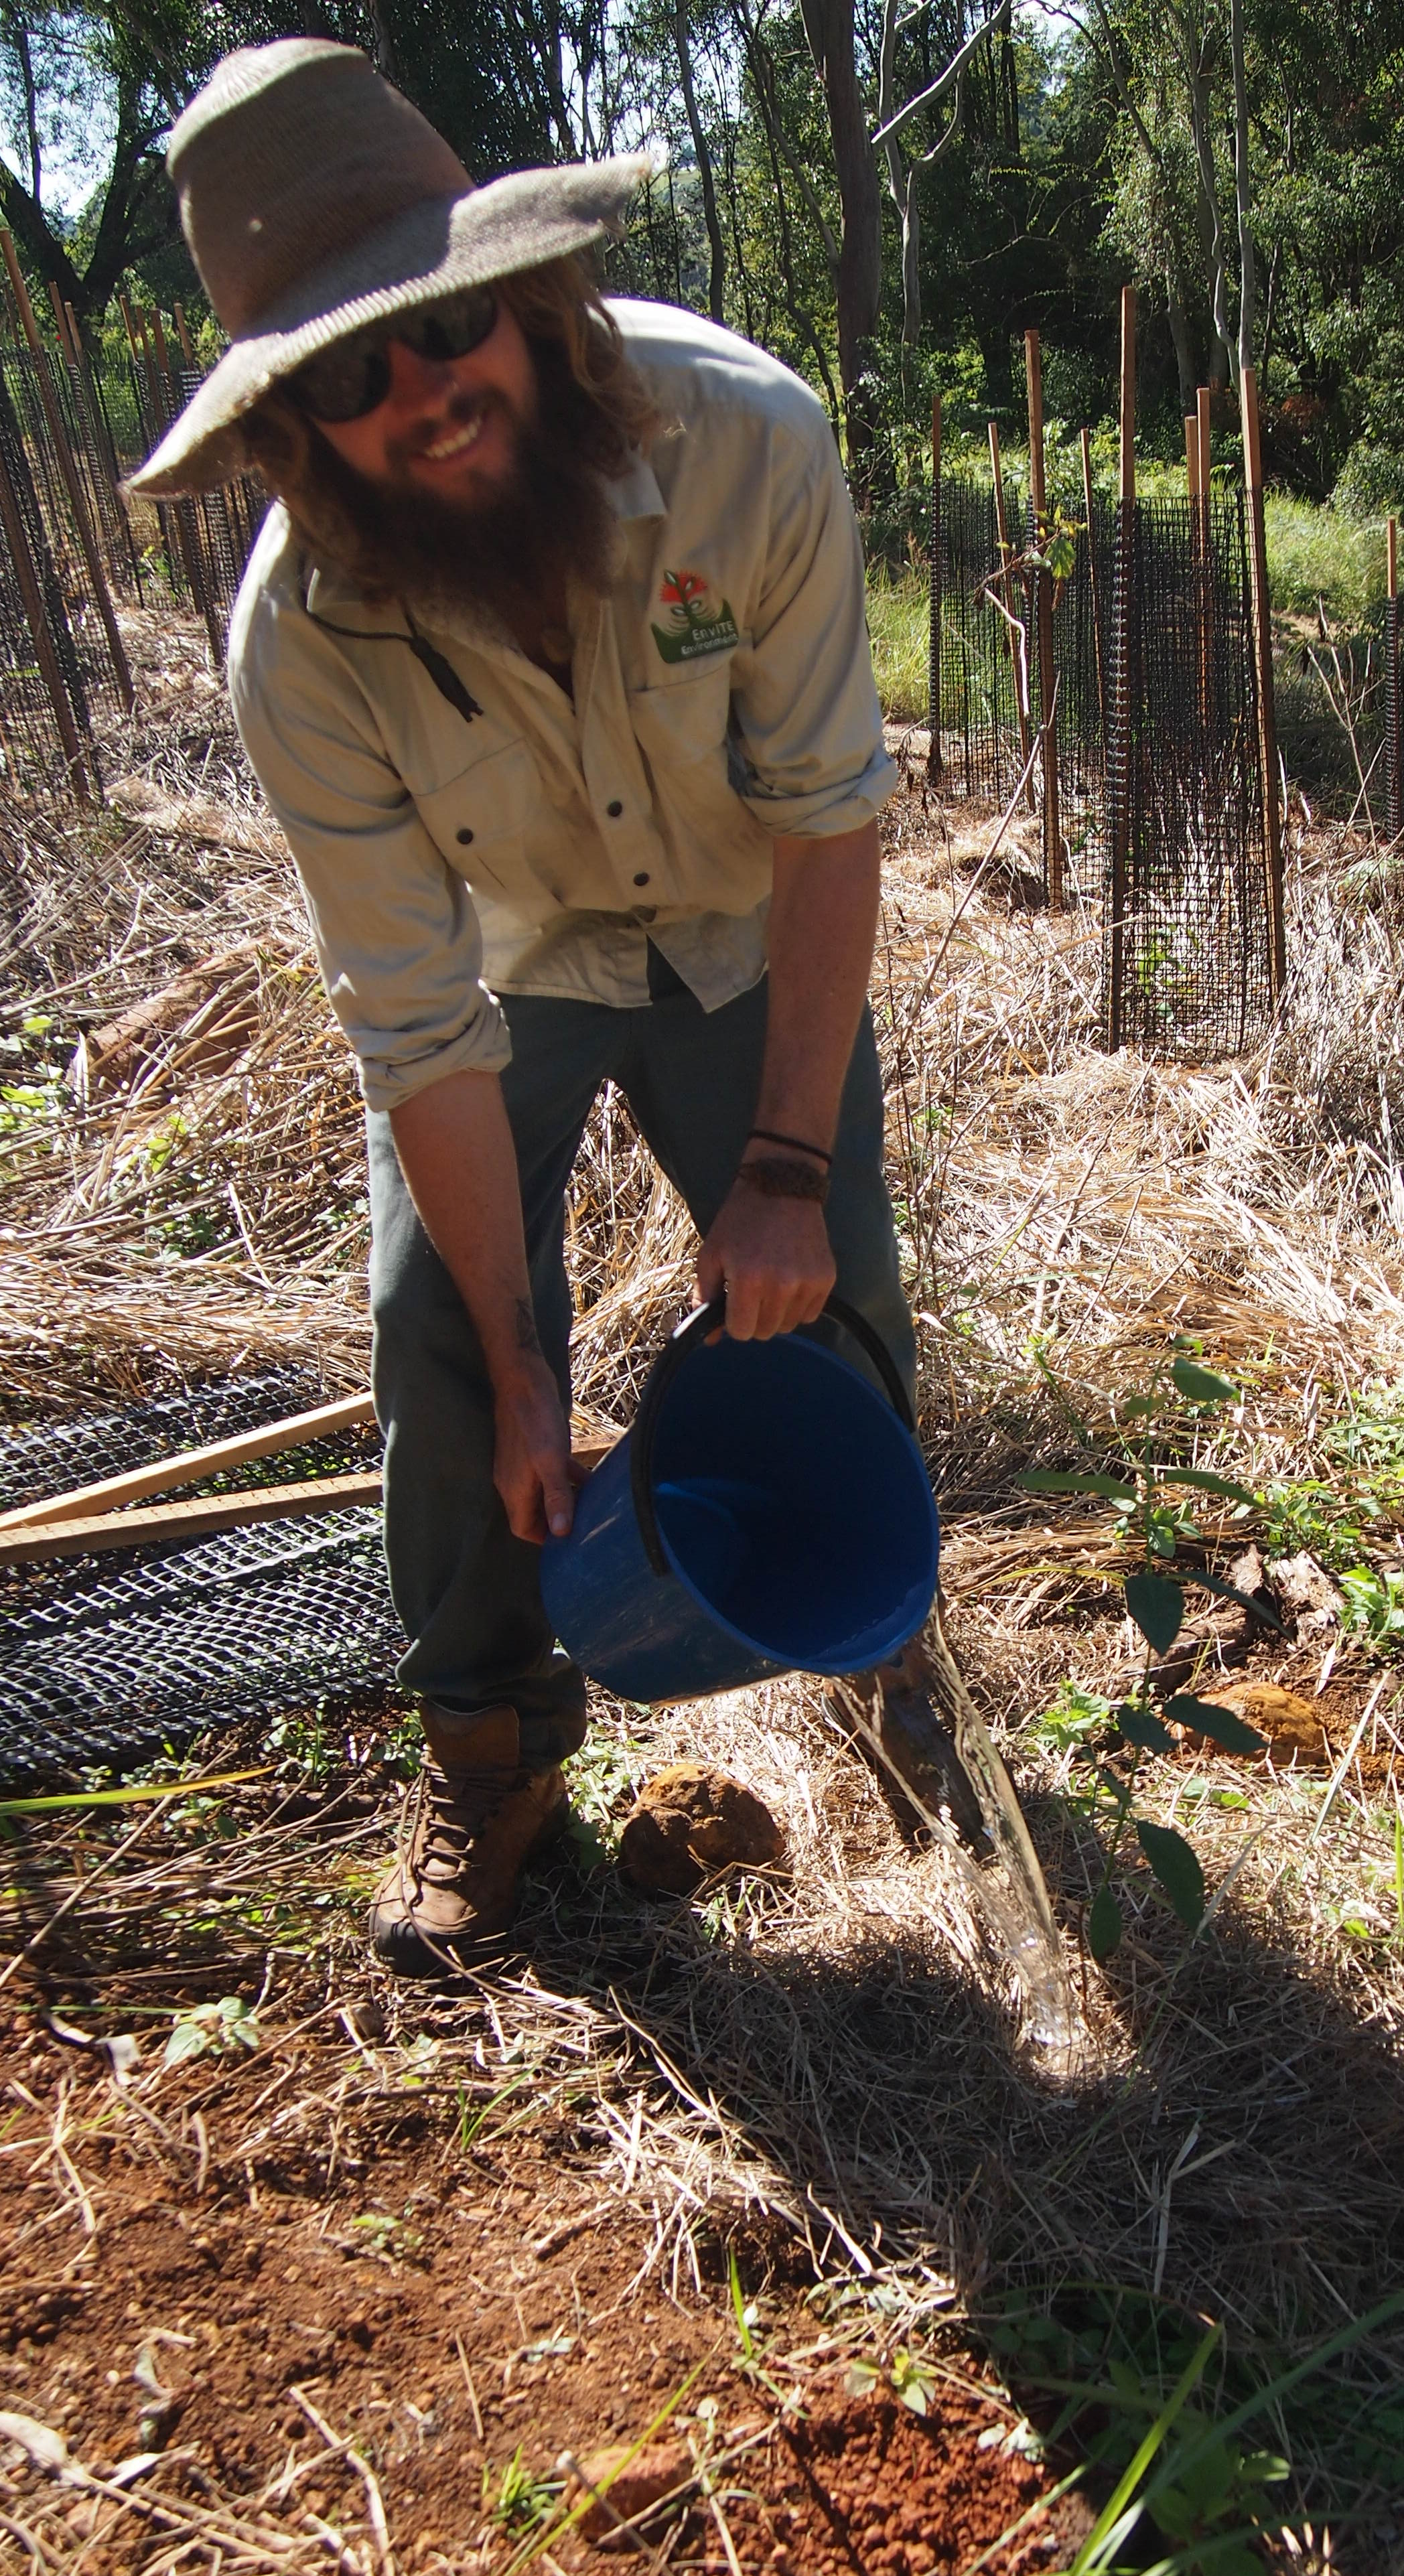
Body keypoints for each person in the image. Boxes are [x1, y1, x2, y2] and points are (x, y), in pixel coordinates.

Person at [131, 37, 1013, 1975]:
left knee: (832, 1280)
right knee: (434, 1324)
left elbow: (828, 825)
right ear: (294, 423)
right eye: (346, 377)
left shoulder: (742, 440)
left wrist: (780, 1163)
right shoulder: (303, 638)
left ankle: (880, 1661)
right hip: (515, 961)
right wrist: (531, 1355)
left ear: (519, 292)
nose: (419, 395)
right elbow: (413, 1021)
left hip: (740, 923)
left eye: (441, 327)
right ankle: (493, 1754)